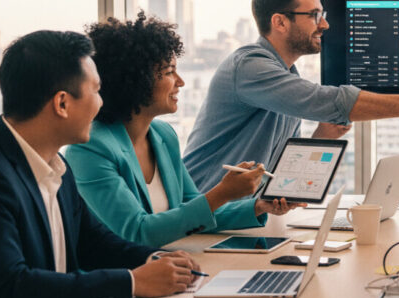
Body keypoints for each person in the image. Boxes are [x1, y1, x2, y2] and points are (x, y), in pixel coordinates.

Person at [0, 31, 199, 298]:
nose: (102, 103)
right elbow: (8, 288)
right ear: (62, 103)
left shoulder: (56, 164)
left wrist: (157, 259)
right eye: (96, 91)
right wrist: (132, 283)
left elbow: (95, 243)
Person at [183, 0, 399, 193]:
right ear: (280, 22)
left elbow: (280, 179)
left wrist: (323, 138)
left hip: (246, 219)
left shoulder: (287, 74)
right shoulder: (250, 66)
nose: (324, 25)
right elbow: (330, 101)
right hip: (208, 220)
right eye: (314, 15)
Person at [64, 14, 298, 248]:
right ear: (136, 79)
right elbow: (136, 232)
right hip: (132, 276)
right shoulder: (91, 148)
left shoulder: (163, 135)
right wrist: (222, 192)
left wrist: (258, 205)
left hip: (175, 264)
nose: (181, 81)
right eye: (169, 72)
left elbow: (193, 210)